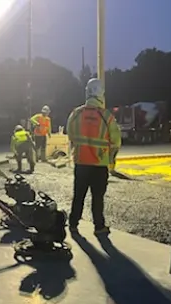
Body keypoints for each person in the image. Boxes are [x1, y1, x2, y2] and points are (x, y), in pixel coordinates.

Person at [66, 78, 121, 235]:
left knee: (78, 195)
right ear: (101, 94)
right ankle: (99, 227)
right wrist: (111, 160)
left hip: (81, 163)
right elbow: (116, 142)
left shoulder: (76, 114)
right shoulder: (107, 116)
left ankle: (73, 224)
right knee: (97, 198)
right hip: (99, 165)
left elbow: (70, 136)